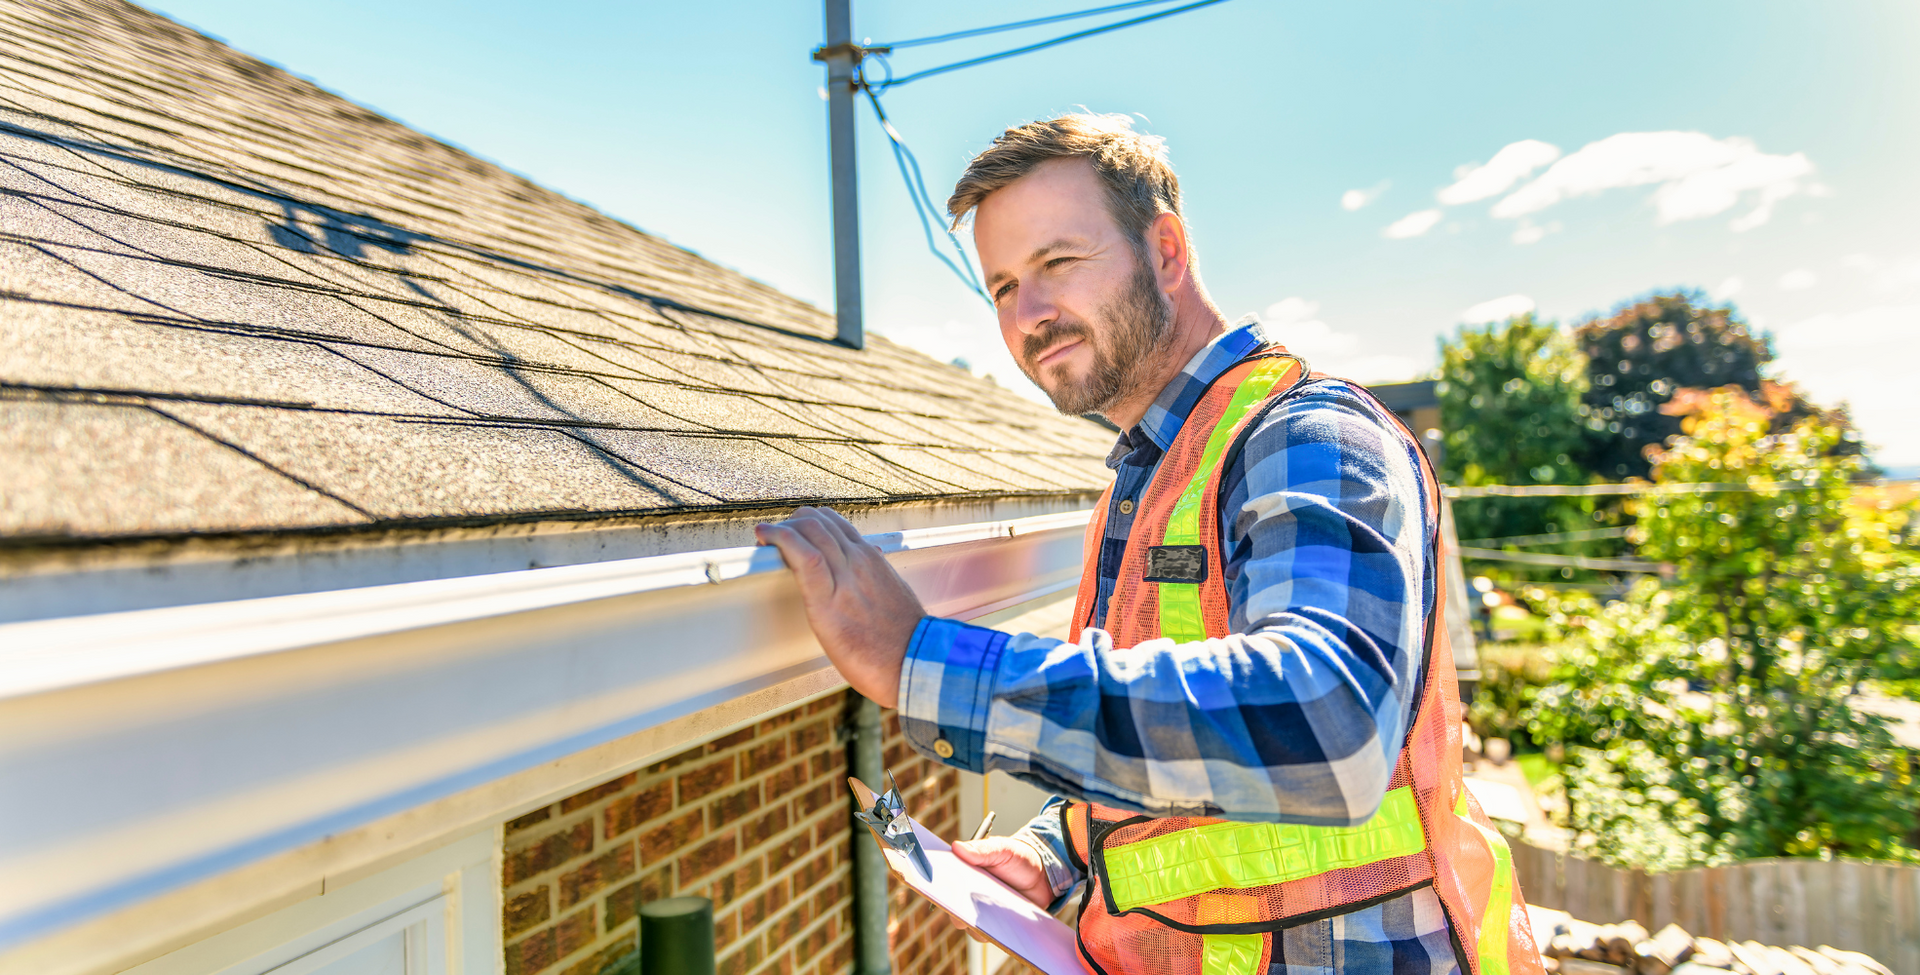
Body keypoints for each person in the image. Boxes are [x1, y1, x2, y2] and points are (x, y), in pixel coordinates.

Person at [755, 114, 1540, 975]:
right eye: (1004, 286)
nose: (1031, 313)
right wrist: (1058, 849)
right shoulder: (1150, 480)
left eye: (1057, 263)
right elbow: (1186, 750)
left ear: (1165, 250)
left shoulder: (1305, 437)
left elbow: (1329, 725)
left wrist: (921, 662)